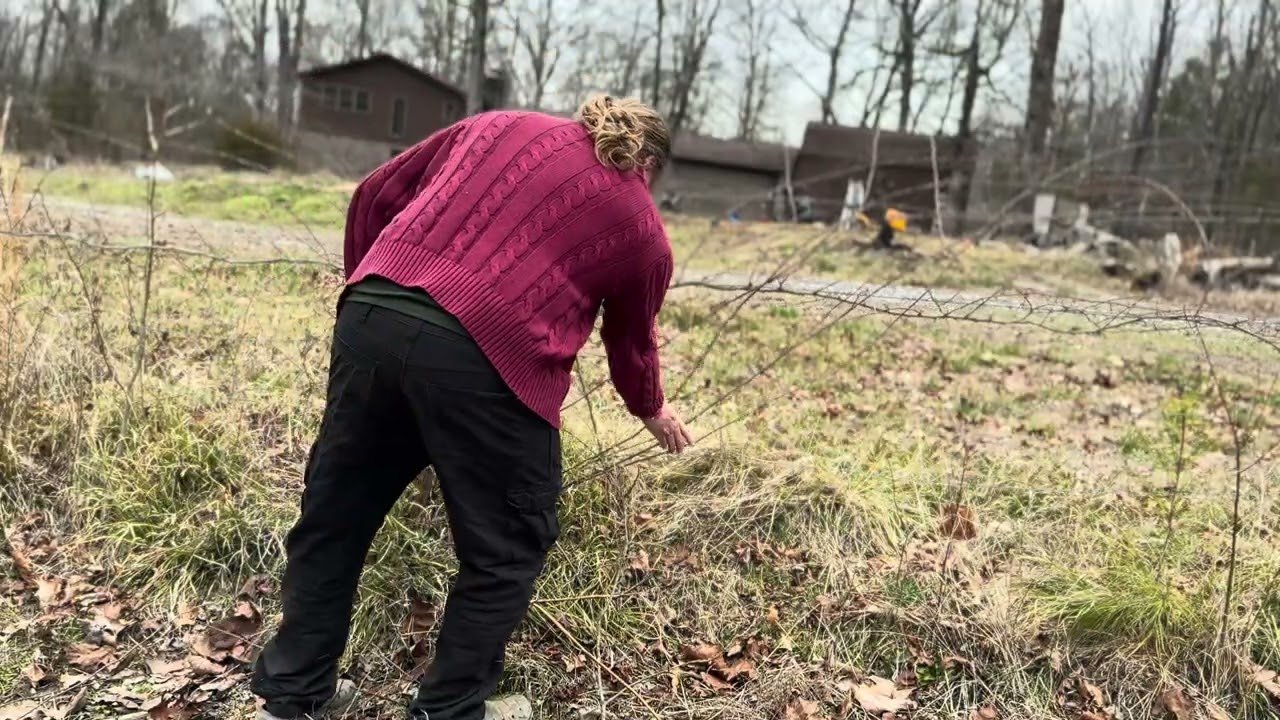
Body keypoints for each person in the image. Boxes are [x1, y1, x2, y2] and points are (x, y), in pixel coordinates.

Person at [250, 95, 692, 720]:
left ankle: (293, 697)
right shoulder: (640, 226)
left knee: (335, 514)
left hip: (374, 310)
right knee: (509, 544)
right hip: (484, 356)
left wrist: (374, 288)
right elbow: (632, 341)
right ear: (647, 161)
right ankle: (449, 709)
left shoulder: (499, 125)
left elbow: (376, 192)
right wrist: (651, 409)